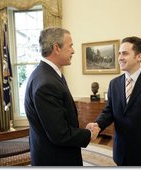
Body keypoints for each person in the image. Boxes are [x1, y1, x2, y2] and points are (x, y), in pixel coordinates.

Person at [87, 36, 141, 166]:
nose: (120, 57)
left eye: (125, 53)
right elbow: (109, 111)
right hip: (120, 151)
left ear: (139, 57)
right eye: (119, 53)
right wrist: (98, 124)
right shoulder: (114, 83)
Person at [24, 27, 100, 166]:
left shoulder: (49, 74)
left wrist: (81, 128)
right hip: (54, 159)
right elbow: (60, 134)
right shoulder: (46, 84)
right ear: (56, 48)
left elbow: (59, 118)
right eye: (70, 45)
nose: (73, 50)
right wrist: (88, 135)